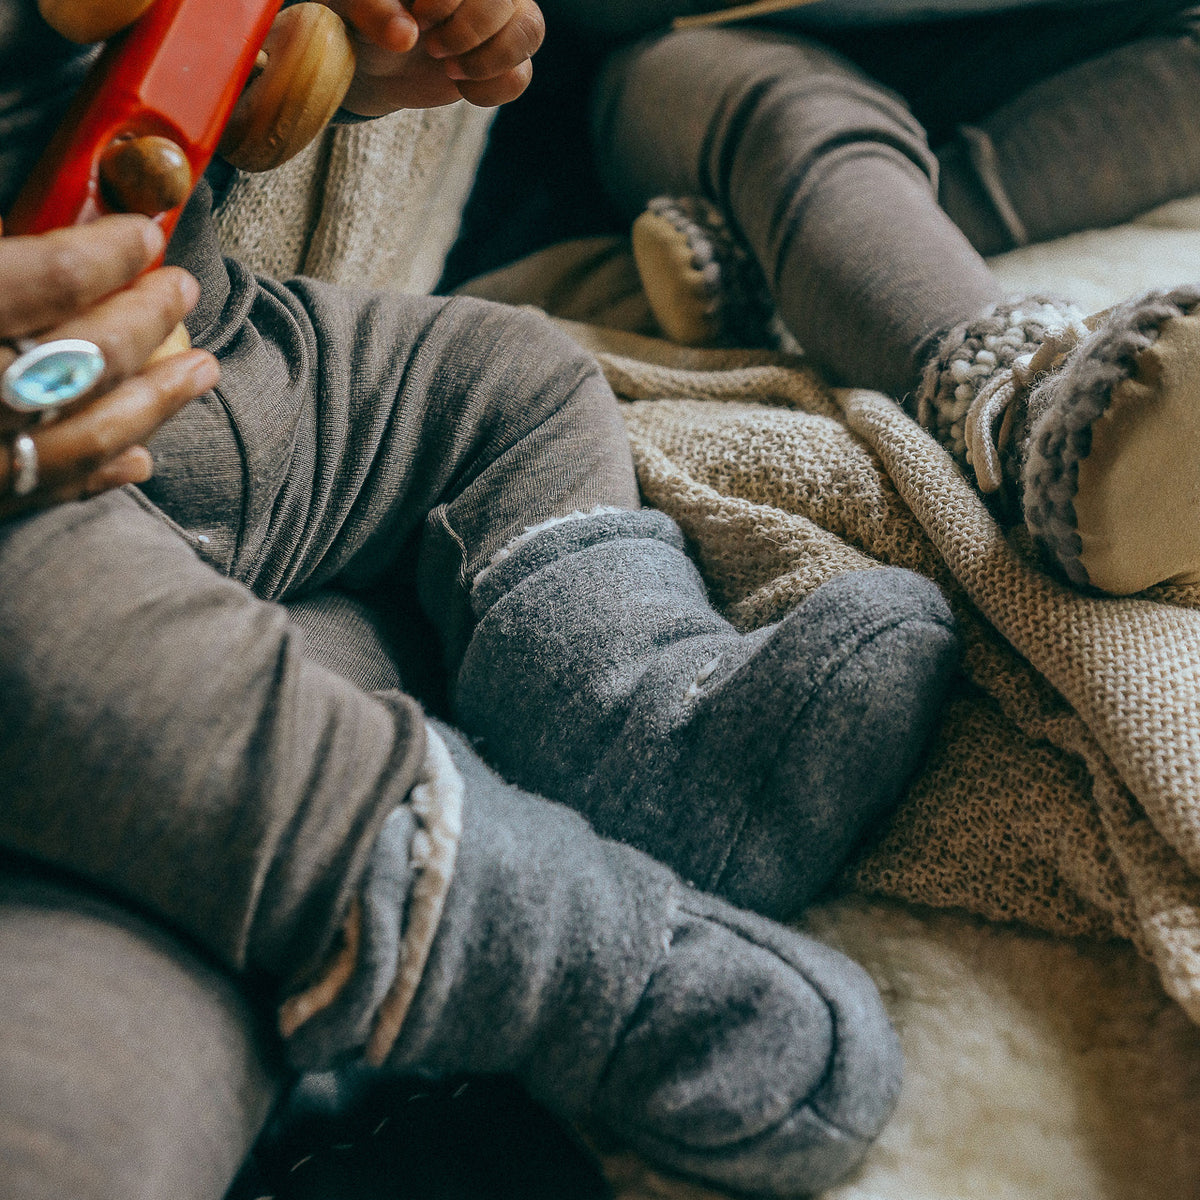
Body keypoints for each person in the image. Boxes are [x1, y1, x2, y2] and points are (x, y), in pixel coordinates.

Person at [0, 1, 962, 1196]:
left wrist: (334, 55)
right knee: (102, 1074)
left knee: (509, 379)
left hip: (216, 361)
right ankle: (547, 944)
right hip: (40, 533)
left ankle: (636, 729)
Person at [559, 0, 1200, 596]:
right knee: (801, 116)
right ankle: (1025, 415)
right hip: (704, 45)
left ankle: (800, 253)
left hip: (1017, 30)